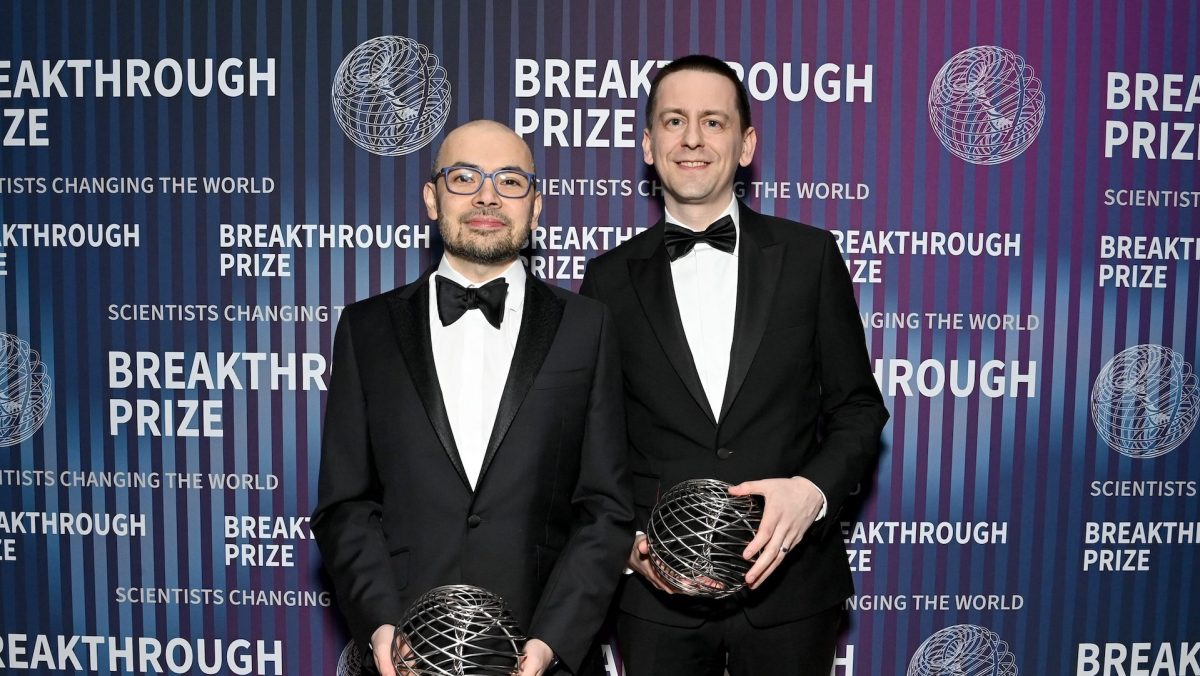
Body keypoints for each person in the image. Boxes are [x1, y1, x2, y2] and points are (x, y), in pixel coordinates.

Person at [580, 55, 889, 675]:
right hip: (656, 596)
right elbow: (594, 440)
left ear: (746, 145)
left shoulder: (810, 257)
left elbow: (858, 410)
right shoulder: (607, 279)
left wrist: (811, 493)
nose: (692, 138)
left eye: (713, 122)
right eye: (673, 120)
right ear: (647, 143)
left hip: (792, 593)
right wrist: (628, 545)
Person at [313, 120, 633, 676]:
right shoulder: (366, 330)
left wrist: (550, 642)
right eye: (464, 177)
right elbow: (345, 504)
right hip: (404, 657)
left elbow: (605, 509)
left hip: (539, 654)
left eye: (510, 180)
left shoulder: (589, 327)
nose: (487, 195)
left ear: (536, 207)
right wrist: (382, 628)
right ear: (431, 200)